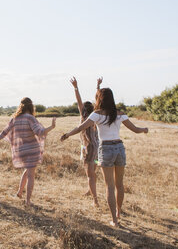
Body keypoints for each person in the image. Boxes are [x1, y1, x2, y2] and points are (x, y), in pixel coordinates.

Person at [61, 88, 148, 226]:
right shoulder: (120, 114)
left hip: (106, 149)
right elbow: (136, 129)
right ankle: (119, 212)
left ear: (99, 99)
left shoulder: (97, 114)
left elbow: (80, 127)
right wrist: (144, 130)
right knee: (119, 184)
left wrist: (67, 135)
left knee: (110, 186)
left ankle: (114, 220)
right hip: (120, 148)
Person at [0, 97, 56, 207]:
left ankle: (19, 192)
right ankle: (28, 201)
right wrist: (51, 127)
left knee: (28, 171)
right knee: (31, 175)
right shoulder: (30, 118)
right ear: (31, 106)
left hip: (21, 151)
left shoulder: (15, 118)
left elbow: (5, 130)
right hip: (32, 149)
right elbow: (40, 132)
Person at [70, 76, 102, 207]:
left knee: (90, 175)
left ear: (83, 110)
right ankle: (90, 190)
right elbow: (98, 100)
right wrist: (98, 86)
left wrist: (76, 87)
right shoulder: (96, 116)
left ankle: (95, 200)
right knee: (92, 171)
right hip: (97, 149)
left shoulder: (84, 118)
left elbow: (78, 101)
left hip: (88, 148)